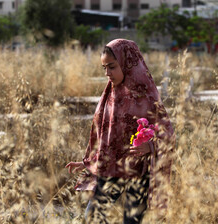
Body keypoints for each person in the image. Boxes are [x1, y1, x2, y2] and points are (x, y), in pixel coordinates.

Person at [66, 39, 174, 224]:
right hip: (111, 170)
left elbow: (167, 132)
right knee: (92, 218)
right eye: (104, 68)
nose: (107, 73)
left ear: (126, 63)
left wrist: (151, 146)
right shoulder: (110, 95)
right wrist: (88, 161)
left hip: (139, 173)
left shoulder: (146, 95)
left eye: (112, 67)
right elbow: (103, 135)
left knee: (131, 222)